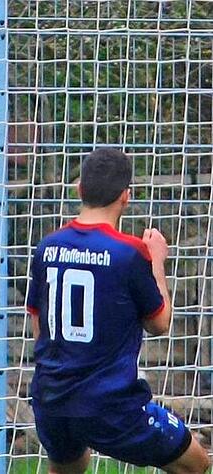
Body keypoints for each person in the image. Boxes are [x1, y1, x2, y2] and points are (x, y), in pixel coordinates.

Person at [26, 148, 210, 474]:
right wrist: (157, 261)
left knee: (70, 465)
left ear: (80, 188)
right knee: (195, 463)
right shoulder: (129, 252)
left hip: (51, 399)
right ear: (125, 196)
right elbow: (160, 323)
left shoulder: (47, 247)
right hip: (109, 406)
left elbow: (39, 326)